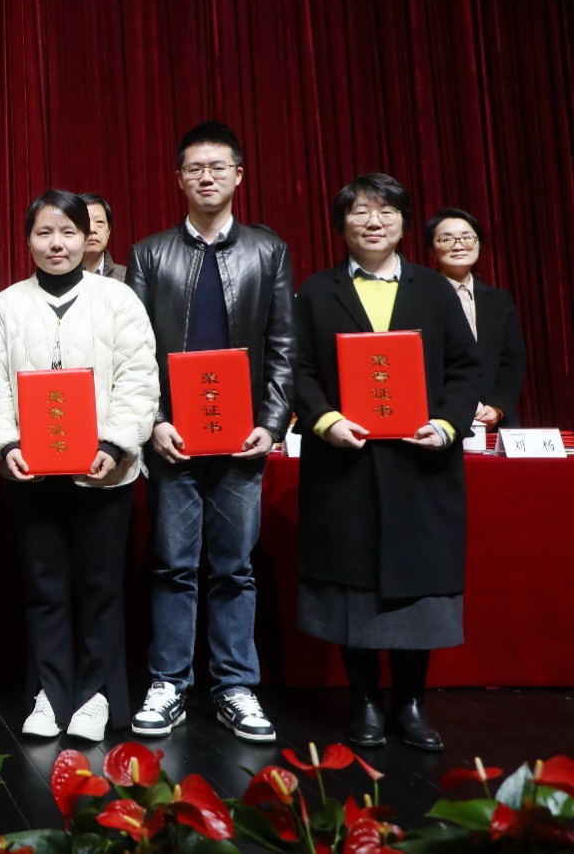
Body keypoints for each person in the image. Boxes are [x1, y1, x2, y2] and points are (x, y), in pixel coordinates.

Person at [293, 173, 481, 751]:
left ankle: (411, 703)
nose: (374, 222)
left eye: (387, 212)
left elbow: (465, 368)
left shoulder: (434, 290)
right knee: (354, 589)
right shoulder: (316, 292)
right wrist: (326, 420)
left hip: (420, 465)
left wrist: (445, 425)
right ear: (342, 224)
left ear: (403, 224)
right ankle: (365, 702)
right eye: (361, 212)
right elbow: (297, 369)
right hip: (345, 466)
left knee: (416, 587)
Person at [123, 120, 295, 744]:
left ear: (238, 175)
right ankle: (168, 681)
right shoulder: (149, 254)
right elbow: (134, 353)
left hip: (242, 439)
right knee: (172, 565)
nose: (206, 177)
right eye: (194, 168)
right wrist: (154, 422)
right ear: (178, 178)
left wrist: (270, 423)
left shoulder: (269, 252)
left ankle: (235, 686)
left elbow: (284, 347)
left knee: (234, 567)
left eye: (218, 167)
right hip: (174, 438)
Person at [0, 190, 157, 742]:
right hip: (32, 474)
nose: (56, 243)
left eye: (68, 232)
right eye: (44, 232)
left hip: (103, 471)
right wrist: (7, 444)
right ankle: (50, 693)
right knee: (44, 588)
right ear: (28, 240)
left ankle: (95, 695)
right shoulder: (7, 303)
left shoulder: (118, 299)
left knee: (101, 587)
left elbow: (138, 378)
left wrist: (116, 443)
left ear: (88, 238)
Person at [425, 208, 526, 429]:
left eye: (467, 238)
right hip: (439, 420)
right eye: (446, 239)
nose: (458, 245)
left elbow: (513, 360)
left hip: (493, 419)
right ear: (432, 251)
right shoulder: (421, 298)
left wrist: (497, 406)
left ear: (478, 245)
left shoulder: (499, 300)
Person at [79, 193, 126, 281]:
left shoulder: (126, 278)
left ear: (108, 231)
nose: (92, 229)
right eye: (84, 222)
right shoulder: (60, 277)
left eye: (99, 222)